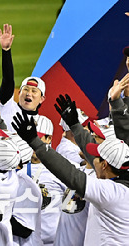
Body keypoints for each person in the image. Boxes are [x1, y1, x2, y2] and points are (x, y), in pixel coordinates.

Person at [13, 96, 129, 245]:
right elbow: (92, 154)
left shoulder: (112, 193)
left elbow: (71, 175)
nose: (94, 159)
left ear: (105, 165)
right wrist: (75, 125)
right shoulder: (118, 176)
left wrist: (36, 143)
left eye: (98, 158)